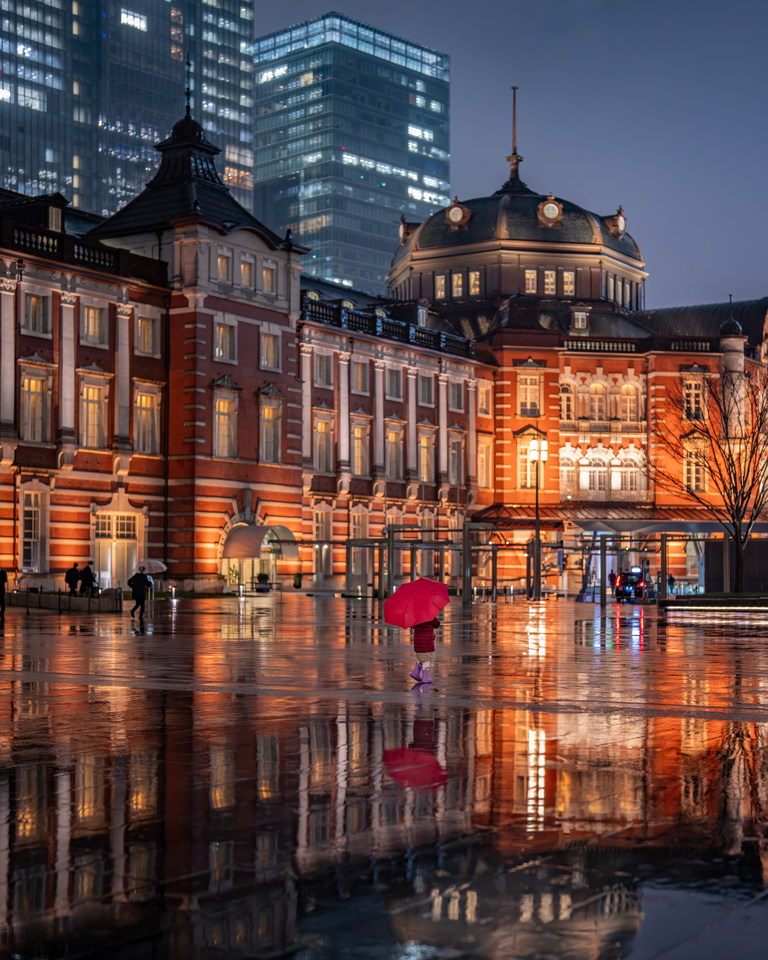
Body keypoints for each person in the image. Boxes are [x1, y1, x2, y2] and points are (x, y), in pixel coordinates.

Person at [410, 616, 440, 685]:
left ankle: (416, 672)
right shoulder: (429, 615)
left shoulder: (415, 616)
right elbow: (437, 624)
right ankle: (425, 677)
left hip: (418, 640)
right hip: (426, 640)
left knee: (421, 656)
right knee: (426, 658)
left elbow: (412, 626)